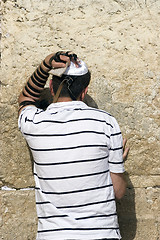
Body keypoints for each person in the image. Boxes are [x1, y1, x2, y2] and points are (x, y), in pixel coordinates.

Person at [18, 51, 129, 240]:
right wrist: (117, 161)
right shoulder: (106, 123)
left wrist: (45, 65)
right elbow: (118, 192)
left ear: (51, 87)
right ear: (84, 91)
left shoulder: (33, 123)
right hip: (102, 234)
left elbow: (26, 98)